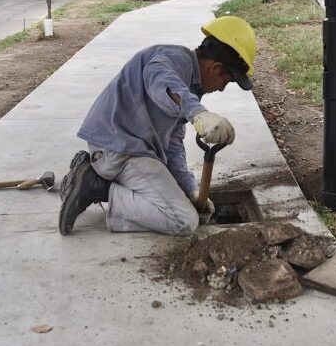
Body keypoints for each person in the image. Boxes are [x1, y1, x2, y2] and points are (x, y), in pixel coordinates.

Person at [58, 16, 257, 236]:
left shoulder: (191, 84)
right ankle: (96, 186)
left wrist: (189, 188)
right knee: (184, 221)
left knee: (181, 202)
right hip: (119, 150)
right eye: (226, 82)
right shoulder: (173, 60)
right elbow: (160, 80)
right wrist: (198, 113)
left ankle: (103, 180)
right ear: (216, 68)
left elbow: (172, 142)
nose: (221, 89)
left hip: (130, 148)